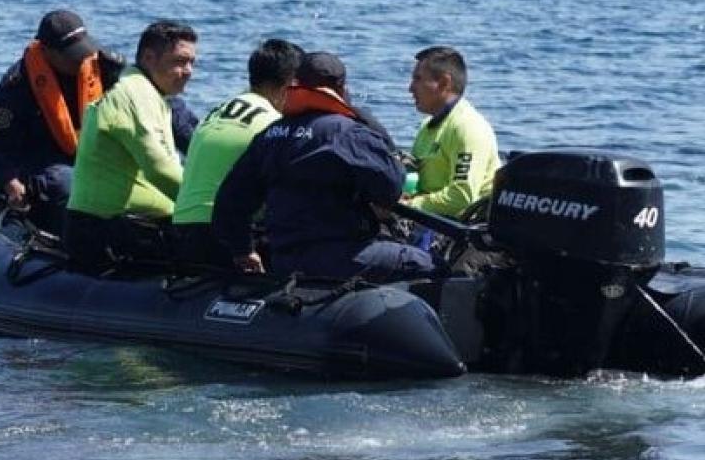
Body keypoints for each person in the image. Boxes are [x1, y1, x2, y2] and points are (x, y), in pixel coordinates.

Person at [212, 51, 435, 282]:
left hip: (283, 259)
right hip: (342, 257)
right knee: (430, 265)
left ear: (296, 84)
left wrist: (243, 251)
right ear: (342, 89)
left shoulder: (269, 136)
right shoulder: (348, 133)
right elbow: (391, 188)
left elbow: (229, 203)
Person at [0, 9, 121, 235]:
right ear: (48, 51)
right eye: (72, 55)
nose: (80, 60)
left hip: (93, 159)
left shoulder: (105, 68)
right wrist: (9, 184)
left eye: (82, 52)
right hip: (42, 166)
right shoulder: (16, 88)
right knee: (67, 184)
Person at [64, 20, 198, 269]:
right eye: (179, 61)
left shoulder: (149, 93)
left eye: (192, 62)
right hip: (107, 230)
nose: (189, 71)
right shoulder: (134, 95)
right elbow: (160, 171)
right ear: (149, 58)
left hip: (134, 224)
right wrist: (212, 208)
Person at [171, 38, 303, 266]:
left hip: (184, 228)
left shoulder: (218, 111)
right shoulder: (274, 125)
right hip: (227, 235)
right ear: (291, 84)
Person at [403, 45, 501, 218]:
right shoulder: (428, 126)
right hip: (426, 218)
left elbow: (461, 197)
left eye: (418, 79)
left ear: (443, 83)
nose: (410, 88)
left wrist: (409, 205)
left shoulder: (468, 127)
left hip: (460, 225)